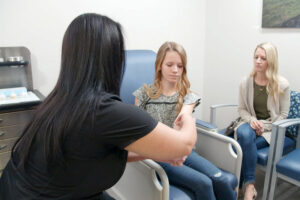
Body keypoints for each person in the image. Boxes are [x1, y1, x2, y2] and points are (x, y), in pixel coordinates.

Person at [0, 14, 197, 200]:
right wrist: (187, 114)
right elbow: (185, 144)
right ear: (113, 59)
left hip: (16, 188)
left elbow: (95, 153)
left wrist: (157, 151)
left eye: (180, 66)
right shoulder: (105, 111)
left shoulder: (60, 100)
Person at [133, 41, 236, 200]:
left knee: (220, 178)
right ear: (160, 65)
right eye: (169, 65)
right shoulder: (143, 94)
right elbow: (139, 131)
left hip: (184, 153)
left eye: (180, 66)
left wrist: (180, 128)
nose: (175, 70)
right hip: (158, 156)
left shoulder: (188, 96)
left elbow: (183, 119)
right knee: (204, 184)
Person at [236, 42, 290, 200]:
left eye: (263, 58)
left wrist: (264, 127)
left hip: (271, 129)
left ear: (271, 61)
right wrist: (252, 120)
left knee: (241, 143)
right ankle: (250, 186)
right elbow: (241, 109)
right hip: (249, 125)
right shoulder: (245, 83)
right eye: (256, 57)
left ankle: (239, 186)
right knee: (244, 133)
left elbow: (283, 115)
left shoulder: (282, 85)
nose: (258, 61)